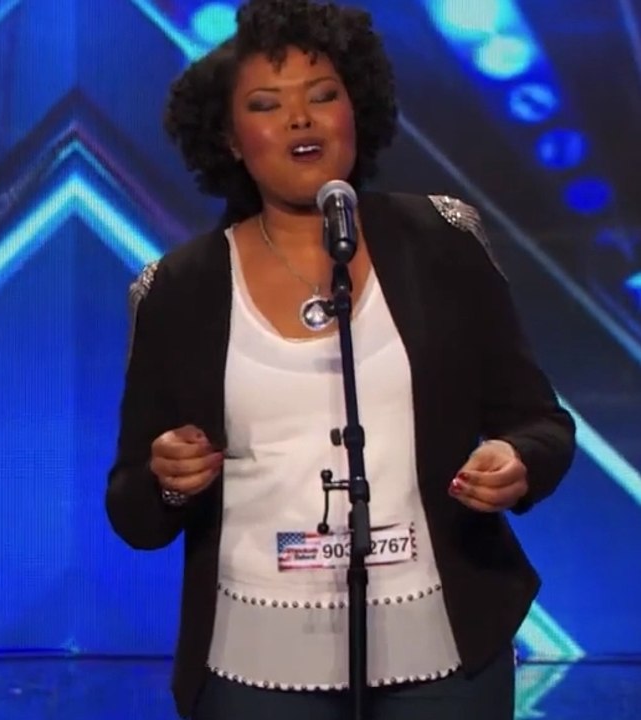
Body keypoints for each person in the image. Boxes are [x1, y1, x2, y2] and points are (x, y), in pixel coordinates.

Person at [105, 0, 575, 718]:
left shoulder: (441, 241)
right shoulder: (177, 290)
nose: (301, 119)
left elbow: (539, 423)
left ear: (356, 111)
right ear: (230, 139)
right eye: (267, 105)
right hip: (253, 661)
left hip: (445, 648)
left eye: (322, 95)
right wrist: (168, 481)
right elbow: (133, 510)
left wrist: (517, 461)